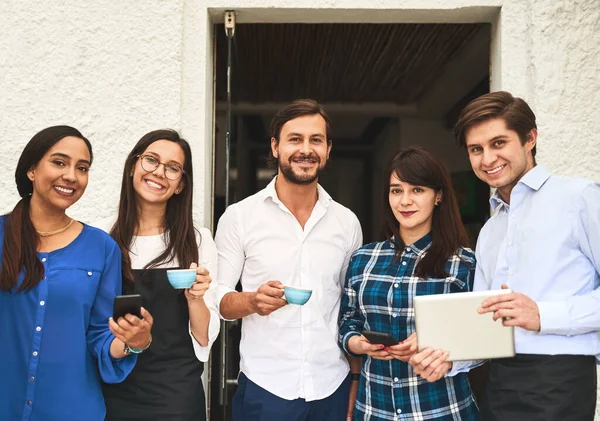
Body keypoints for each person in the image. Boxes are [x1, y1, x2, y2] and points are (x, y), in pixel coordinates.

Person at [412, 91, 600, 421]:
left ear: (530, 138)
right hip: (499, 381)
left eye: (498, 143)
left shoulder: (580, 198)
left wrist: (543, 314)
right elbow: (485, 322)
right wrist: (448, 357)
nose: (487, 159)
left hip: (561, 378)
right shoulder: (490, 230)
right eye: (476, 149)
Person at [215, 99, 363, 421]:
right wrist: (252, 301)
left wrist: (354, 380)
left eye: (316, 140)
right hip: (266, 389)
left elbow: (350, 307)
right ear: (275, 146)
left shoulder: (347, 222)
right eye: (295, 139)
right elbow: (219, 301)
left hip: (331, 388)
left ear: (328, 149)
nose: (305, 149)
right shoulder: (239, 217)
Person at [0, 126, 152, 421]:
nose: (71, 175)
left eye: (82, 168)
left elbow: (100, 334)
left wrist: (135, 341)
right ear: (31, 170)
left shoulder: (102, 247)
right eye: (59, 162)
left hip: (72, 410)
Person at [339, 147, 479, 420]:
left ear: (438, 196)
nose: (405, 201)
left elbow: (483, 334)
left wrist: (436, 340)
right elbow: (348, 321)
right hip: (374, 410)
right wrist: (358, 344)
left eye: (417, 190)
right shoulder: (363, 259)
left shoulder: (464, 263)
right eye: (396, 190)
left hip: (442, 410)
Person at [96, 129, 220, 421]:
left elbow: (204, 337)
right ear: (132, 167)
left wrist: (196, 298)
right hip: (113, 385)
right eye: (151, 160)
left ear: (180, 185)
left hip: (176, 395)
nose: (159, 172)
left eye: (173, 168)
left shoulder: (198, 240)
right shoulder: (100, 236)